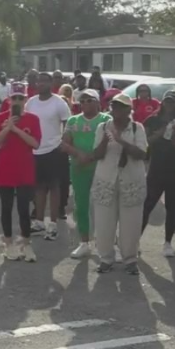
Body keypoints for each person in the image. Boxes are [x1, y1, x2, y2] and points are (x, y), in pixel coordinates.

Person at [88, 94, 149, 274]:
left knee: (131, 223)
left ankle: (130, 259)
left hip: (131, 181)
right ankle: (106, 258)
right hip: (106, 180)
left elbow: (141, 154)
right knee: (103, 222)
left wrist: (121, 141)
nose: (116, 110)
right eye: (114, 106)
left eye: (121, 107)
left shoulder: (137, 128)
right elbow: (97, 155)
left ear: (129, 110)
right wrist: (106, 140)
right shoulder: (102, 127)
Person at [0, 82, 42, 261]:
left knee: (23, 207)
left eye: (21, 98)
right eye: (14, 98)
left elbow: (35, 143)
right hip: (5, 168)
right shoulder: (0, 118)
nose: (17, 101)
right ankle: (8, 243)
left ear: (26, 99)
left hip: (24, 168)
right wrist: (7, 128)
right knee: (6, 207)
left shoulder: (33, 119)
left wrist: (16, 130)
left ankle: (26, 244)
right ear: (9, 100)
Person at [62, 89, 110, 259]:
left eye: (89, 100)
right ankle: (84, 242)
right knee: (81, 205)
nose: (85, 104)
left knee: (106, 205)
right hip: (79, 168)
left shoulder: (106, 119)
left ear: (97, 102)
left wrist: (90, 157)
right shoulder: (73, 120)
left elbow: (110, 142)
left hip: (102, 167)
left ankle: (109, 243)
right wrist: (78, 154)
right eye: (82, 101)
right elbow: (64, 143)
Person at [25, 73, 73, 241]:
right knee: (38, 188)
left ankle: (52, 224)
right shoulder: (31, 102)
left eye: (45, 81)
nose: (41, 84)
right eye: (39, 81)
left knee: (54, 188)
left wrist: (63, 143)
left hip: (54, 150)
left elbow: (69, 125)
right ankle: (39, 222)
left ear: (51, 83)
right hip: (35, 150)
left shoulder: (59, 103)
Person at [142, 91, 175, 258]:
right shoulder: (152, 120)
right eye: (167, 101)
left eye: (172, 102)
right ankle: (135, 240)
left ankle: (167, 242)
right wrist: (160, 132)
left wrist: (174, 136)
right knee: (147, 205)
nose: (169, 105)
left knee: (173, 208)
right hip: (156, 168)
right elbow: (144, 142)